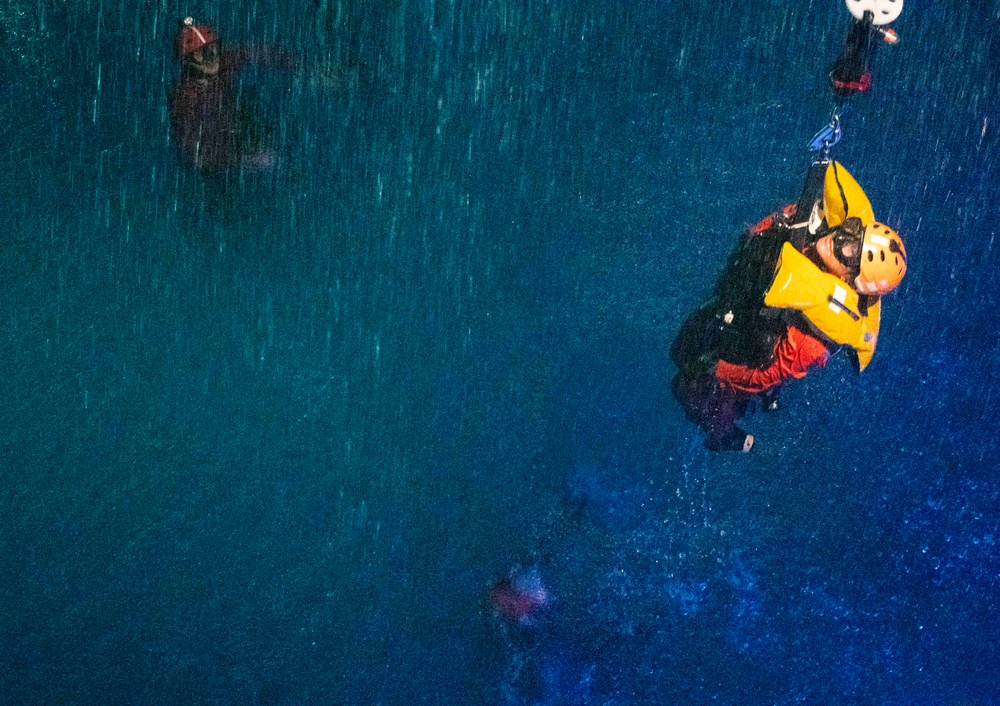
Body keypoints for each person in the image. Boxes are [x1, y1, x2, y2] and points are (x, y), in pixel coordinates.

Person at [671, 160, 907, 452]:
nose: (838, 240)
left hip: (754, 342)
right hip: (747, 297)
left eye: (848, 251)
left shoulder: (813, 342)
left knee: (689, 382)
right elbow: (761, 234)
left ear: (849, 279)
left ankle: (724, 436)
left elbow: (762, 375)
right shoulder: (814, 223)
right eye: (851, 231)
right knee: (685, 345)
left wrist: (719, 370)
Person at [168, 17, 298, 174]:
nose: (210, 58)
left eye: (212, 50)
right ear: (188, 62)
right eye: (199, 55)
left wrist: (308, 68)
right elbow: (192, 148)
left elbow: (264, 53)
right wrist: (241, 159)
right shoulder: (188, 95)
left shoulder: (226, 61)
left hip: (231, 123)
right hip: (213, 147)